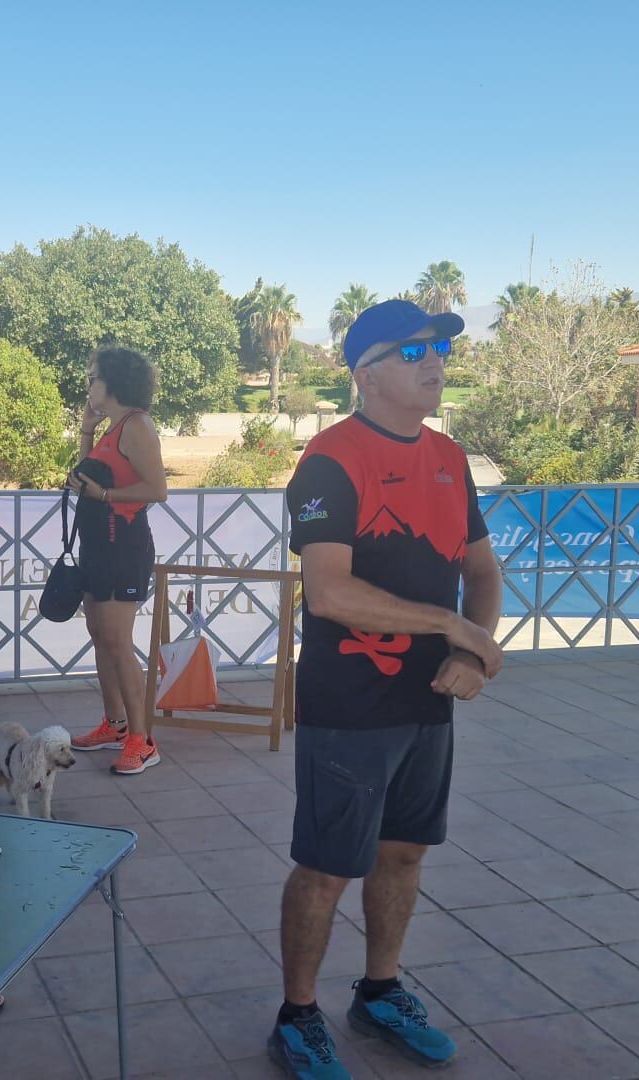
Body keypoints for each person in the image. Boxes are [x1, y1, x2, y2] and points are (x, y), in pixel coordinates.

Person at [270, 300, 503, 1078]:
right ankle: (297, 1014)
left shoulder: (451, 457)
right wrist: (451, 624)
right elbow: (330, 593)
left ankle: (380, 991)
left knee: (403, 856)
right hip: (350, 705)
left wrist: (469, 654)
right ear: (366, 373)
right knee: (330, 865)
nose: (434, 361)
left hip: (428, 699)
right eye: (413, 351)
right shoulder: (330, 462)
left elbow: (481, 570)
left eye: (439, 348)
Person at [64, 347, 169, 776]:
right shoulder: (110, 427)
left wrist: (105, 497)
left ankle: (142, 741)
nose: (88, 384)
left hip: (123, 546)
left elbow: (158, 489)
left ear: (114, 382)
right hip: (97, 546)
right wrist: (87, 433)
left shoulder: (137, 425)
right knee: (100, 635)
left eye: (93, 378)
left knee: (118, 641)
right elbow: (86, 474)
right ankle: (115, 724)